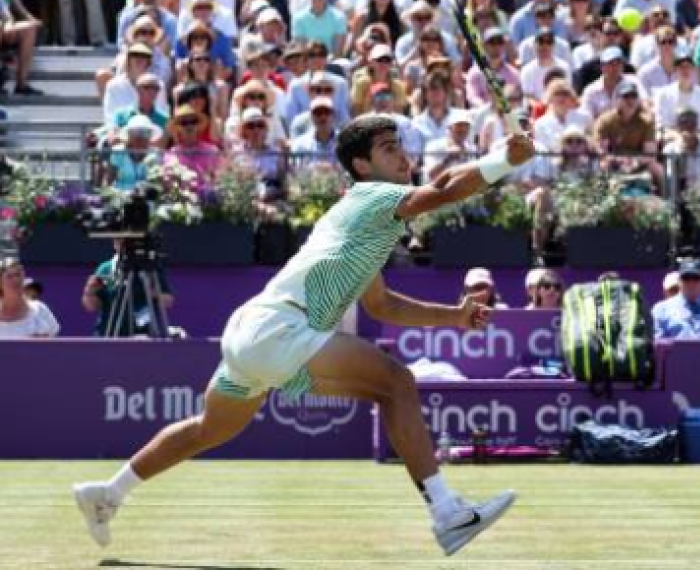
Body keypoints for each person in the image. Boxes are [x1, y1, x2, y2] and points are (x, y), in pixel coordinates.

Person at [73, 115, 535, 555]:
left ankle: (107, 493)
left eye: (402, 149)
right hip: (280, 329)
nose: (403, 159)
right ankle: (448, 512)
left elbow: (383, 305)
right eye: (389, 150)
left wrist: (453, 317)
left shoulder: (363, 225)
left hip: (251, 331)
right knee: (396, 383)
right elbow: (442, 189)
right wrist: (503, 158)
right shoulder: (371, 196)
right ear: (362, 166)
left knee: (208, 429)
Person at [81, 240, 175, 337]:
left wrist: (151, 289)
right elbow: (91, 306)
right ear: (114, 245)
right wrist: (90, 292)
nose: (124, 246)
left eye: (128, 242)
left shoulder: (150, 269)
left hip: (143, 335)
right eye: (119, 241)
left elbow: (167, 301)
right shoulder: (106, 268)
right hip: (109, 334)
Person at [0, 258, 60, 337]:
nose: (16, 279)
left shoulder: (40, 309)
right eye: (9, 276)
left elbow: (54, 343)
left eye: (18, 274)